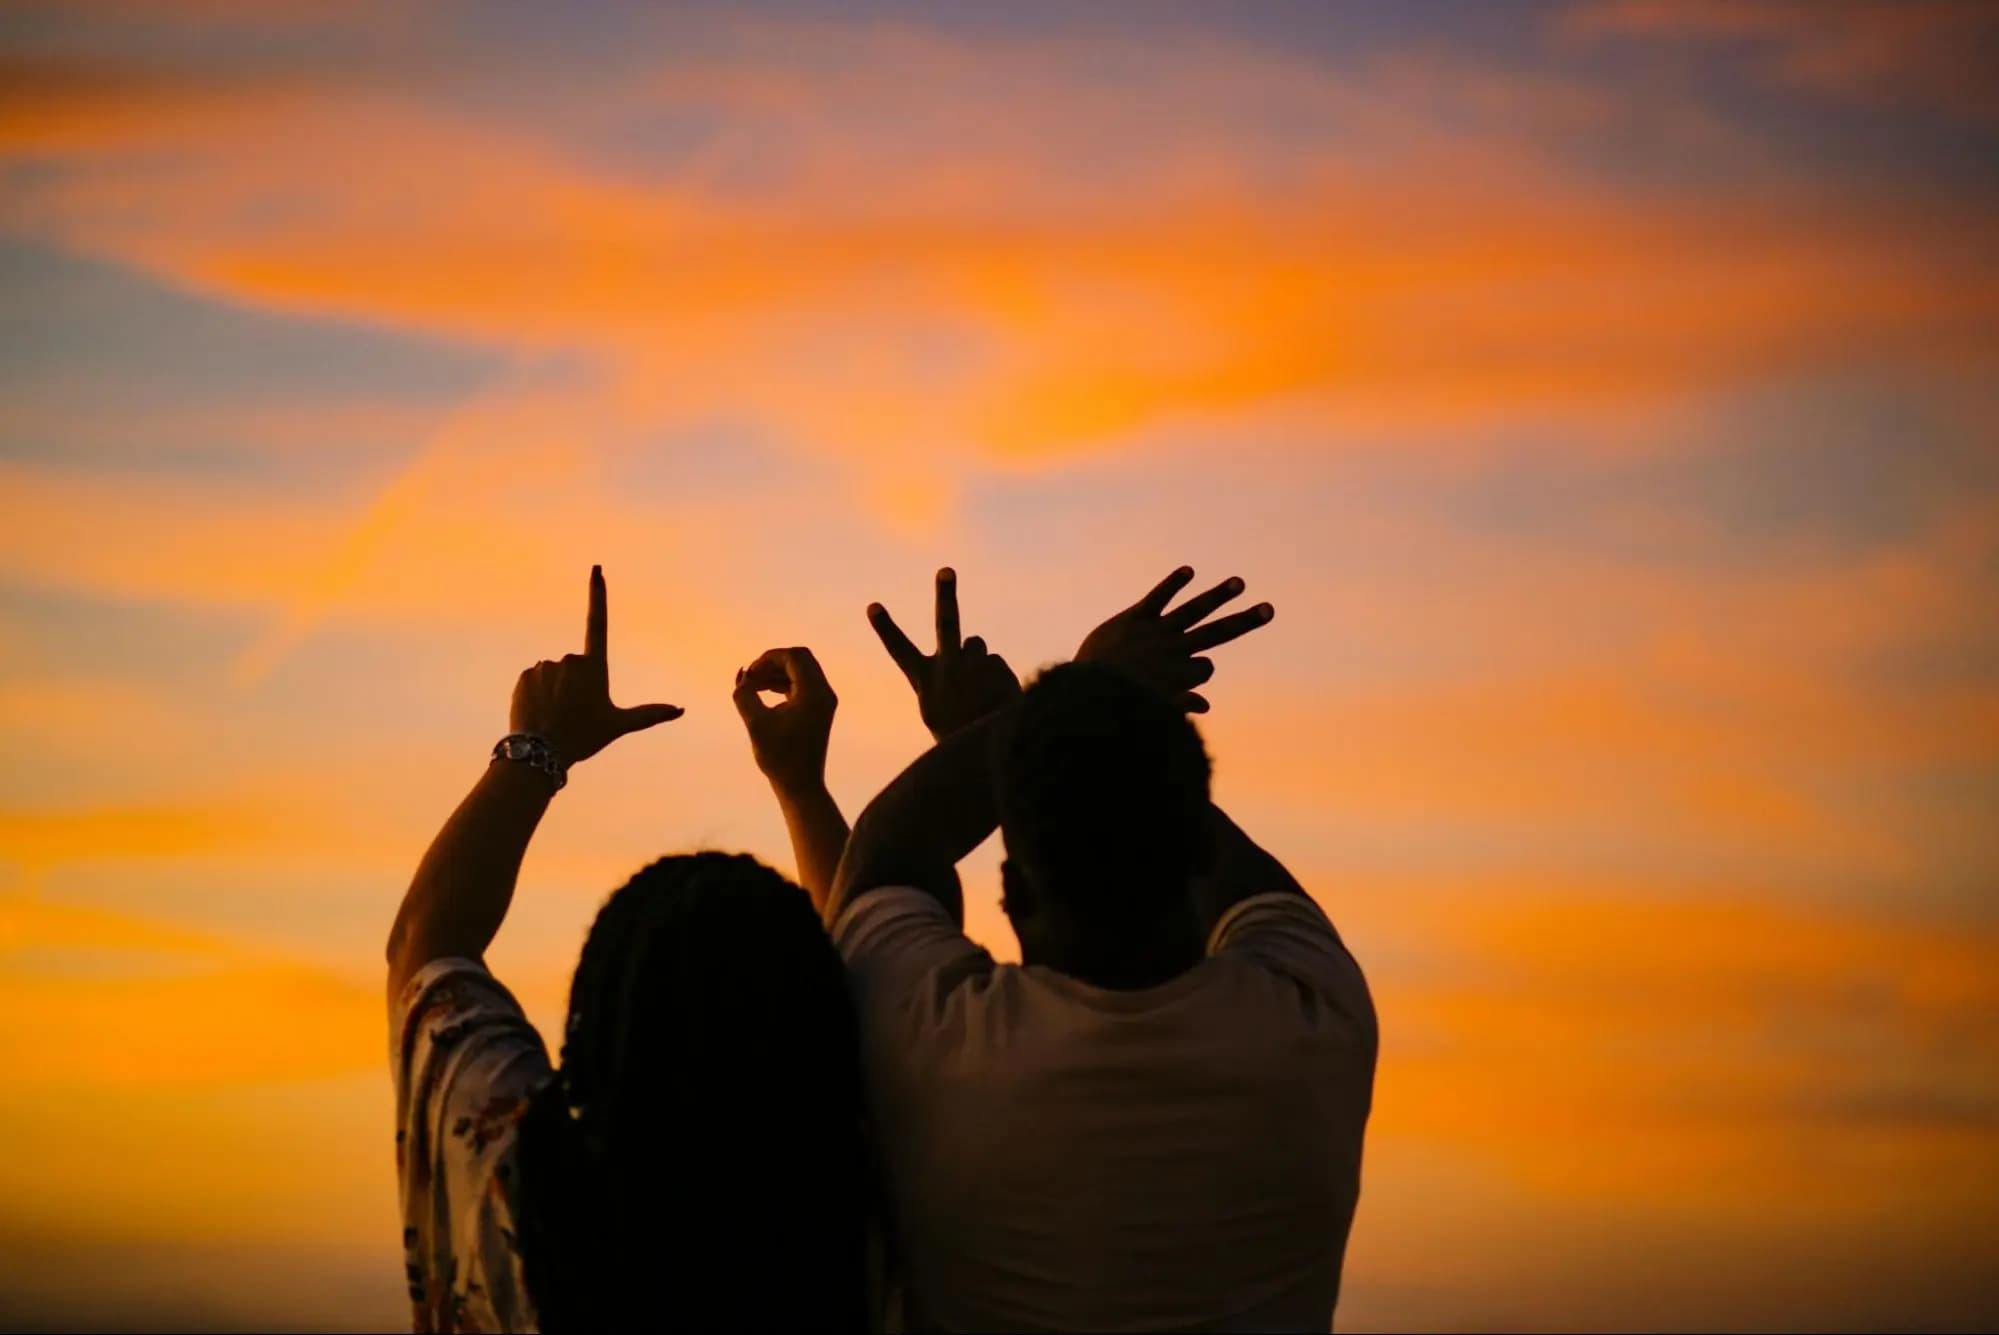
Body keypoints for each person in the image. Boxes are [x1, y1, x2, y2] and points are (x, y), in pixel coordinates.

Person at [828, 566, 1378, 1332]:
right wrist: (1082, 712)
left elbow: (886, 850)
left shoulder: (931, 1042)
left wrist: (1073, 699)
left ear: (1012, 897)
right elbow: (1203, 843)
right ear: (1195, 862)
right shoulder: (1317, 1015)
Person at [385, 567, 874, 1333]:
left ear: (593, 1025)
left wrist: (537, 748)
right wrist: (802, 787)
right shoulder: (893, 1214)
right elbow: (873, 959)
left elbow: (426, 943)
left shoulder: (520, 1200)